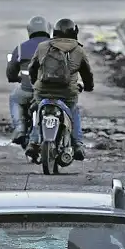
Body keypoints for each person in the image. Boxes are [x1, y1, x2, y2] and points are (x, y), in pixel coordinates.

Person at [27, 18, 94, 161]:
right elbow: (87, 73)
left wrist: (35, 83)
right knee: (73, 111)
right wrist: (88, 86)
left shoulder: (43, 46)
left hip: (43, 91)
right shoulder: (79, 50)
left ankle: (33, 142)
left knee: (38, 110)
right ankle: (77, 144)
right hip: (67, 93)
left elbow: (32, 68)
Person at [5, 15, 52, 145]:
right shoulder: (56, 47)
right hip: (51, 92)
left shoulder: (21, 48)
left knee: (14, 98)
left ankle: (20, 128)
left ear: (30, 30)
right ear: (48, 29)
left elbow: (11, 72)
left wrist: (15, 78)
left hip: (27, 90)